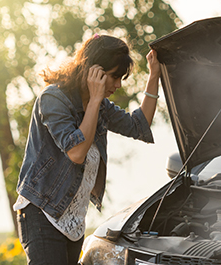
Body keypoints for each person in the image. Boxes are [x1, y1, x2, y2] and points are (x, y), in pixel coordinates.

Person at [13, 34, 160, 265]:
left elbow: (138, 126)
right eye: (114, 76)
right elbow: (76, 153)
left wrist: (155, 75)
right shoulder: (53, 99)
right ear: (94, 71)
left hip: (73, 220)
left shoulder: (99, 105)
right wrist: (94, 101)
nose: (118, 84)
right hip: (42, 213)